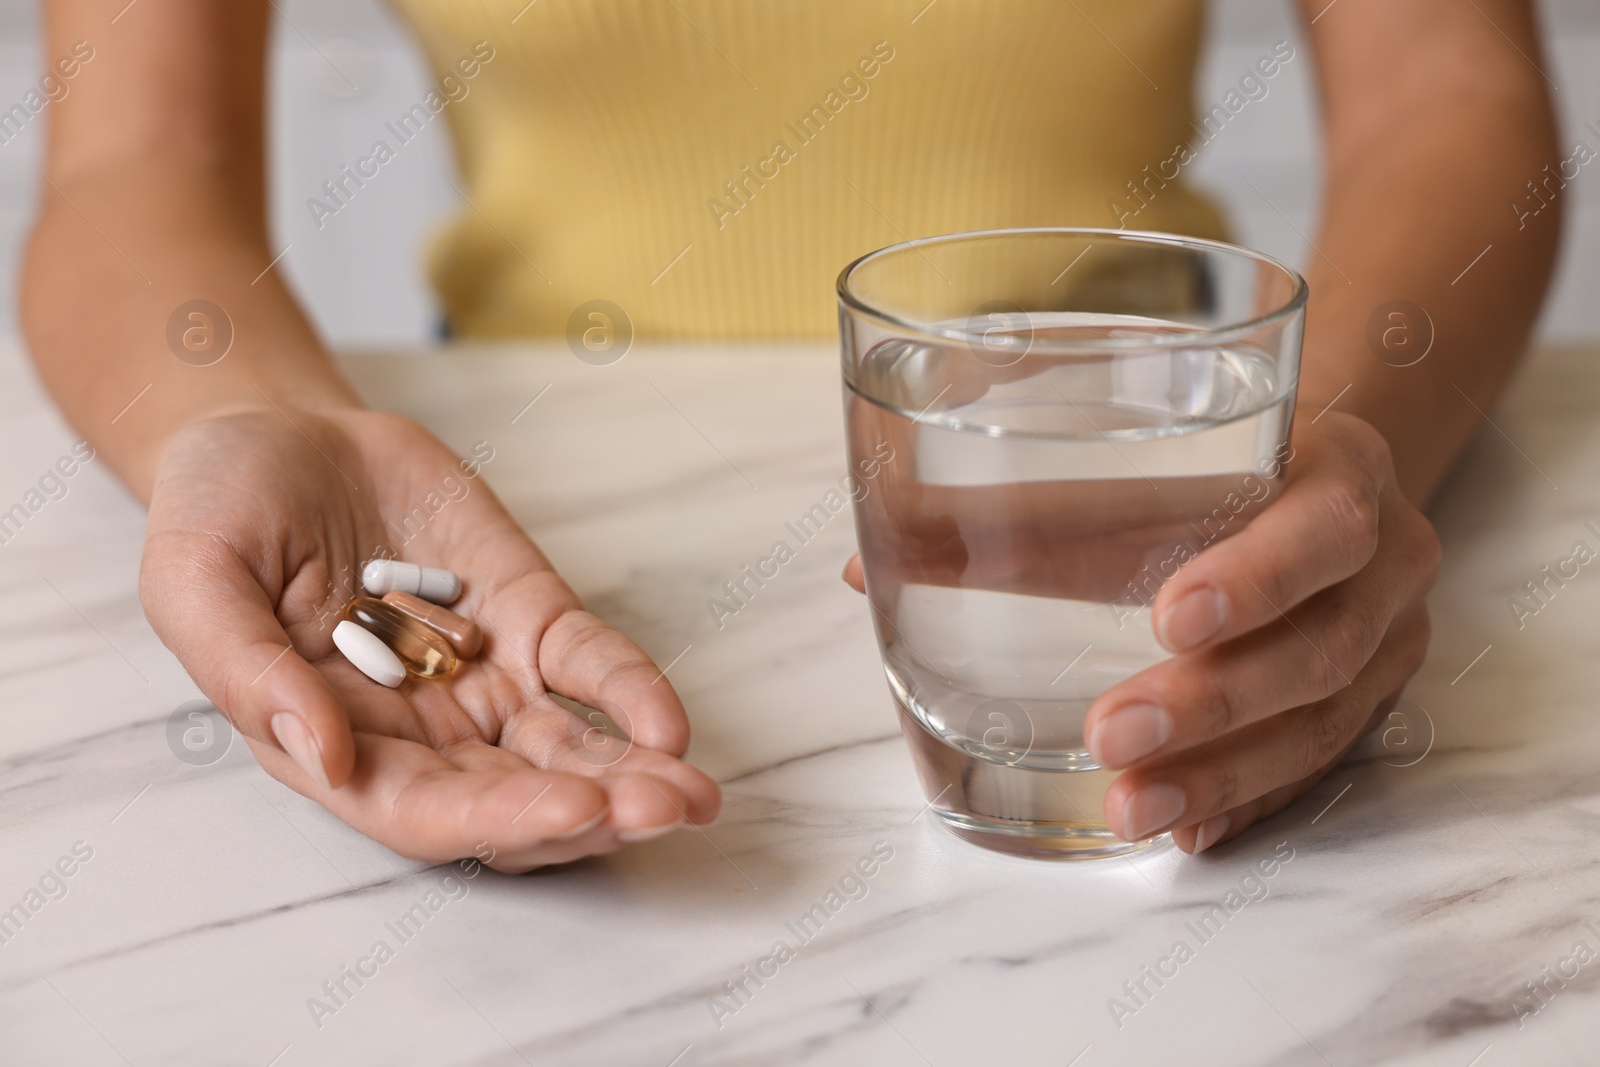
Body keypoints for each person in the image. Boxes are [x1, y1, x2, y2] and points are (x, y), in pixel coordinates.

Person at [22, 0, 1560, 869]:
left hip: (1147, 471)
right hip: (526, 482)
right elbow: (134, 160)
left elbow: (1447, 83)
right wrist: (255, 421)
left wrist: (1331, 443)